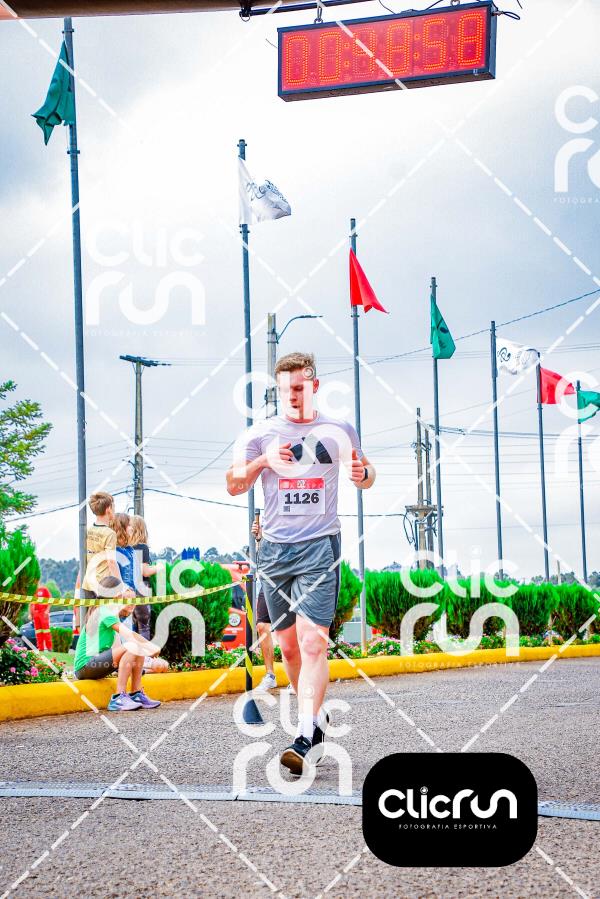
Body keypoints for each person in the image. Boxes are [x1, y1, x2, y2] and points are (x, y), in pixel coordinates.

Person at [226, 351, 376, 774]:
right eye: (285, 389)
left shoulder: (339, 430)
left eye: (299, 387)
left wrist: (364, 476)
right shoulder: (259, 434)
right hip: (274, 551)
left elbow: (367, 473)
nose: (292, 395)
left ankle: (306, 735)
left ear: (314, 385)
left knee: (313, 643)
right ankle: (315, 719)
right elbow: (233, 484)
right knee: (289, 648)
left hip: (319, 547)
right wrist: (263, 461)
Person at [73, 576, 165, 711]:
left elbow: (120, 647)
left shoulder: (107, 611)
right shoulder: (103, 610)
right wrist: (151, 647)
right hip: (85, 667)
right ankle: (118, 698)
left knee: (136, 648)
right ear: (116, 595)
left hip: (93, 665)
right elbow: (130, 635)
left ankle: (136, 694)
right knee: (133, 645)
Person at [80, 492, 134, 602]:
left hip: (88, 583)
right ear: (108, 509)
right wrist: (121, 585)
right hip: (103, 583)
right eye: (113, 506)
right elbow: (111, 562)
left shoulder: (89, 530)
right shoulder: (109, 533)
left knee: (92, 612)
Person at [252, 518, 277, 693]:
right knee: (262, 625)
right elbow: (261, 554)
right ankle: (270, 675)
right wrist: (259, 537)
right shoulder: (268, 522)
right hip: (269, 579)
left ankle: (298, 676)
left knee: (294, 628)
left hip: (292, 577)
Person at [128, 514, 159, 641]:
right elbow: (144, 571)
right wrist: (160, 567)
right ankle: (144, 652)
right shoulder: (142, 547)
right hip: (141, 588)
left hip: (128, 588)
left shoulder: (126, 548)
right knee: (144, 627)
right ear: (142, 529)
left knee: (130, 625)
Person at [30, 585, 53, 652]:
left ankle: (49, 648)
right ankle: (40, 648)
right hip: (35, 613)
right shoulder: (33, 591)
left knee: (46, 631)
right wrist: (30, 614)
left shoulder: (44, 589)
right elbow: (31, 604)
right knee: (38, 632)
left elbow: (50, 600)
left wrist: (47, 610)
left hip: (43, 613)